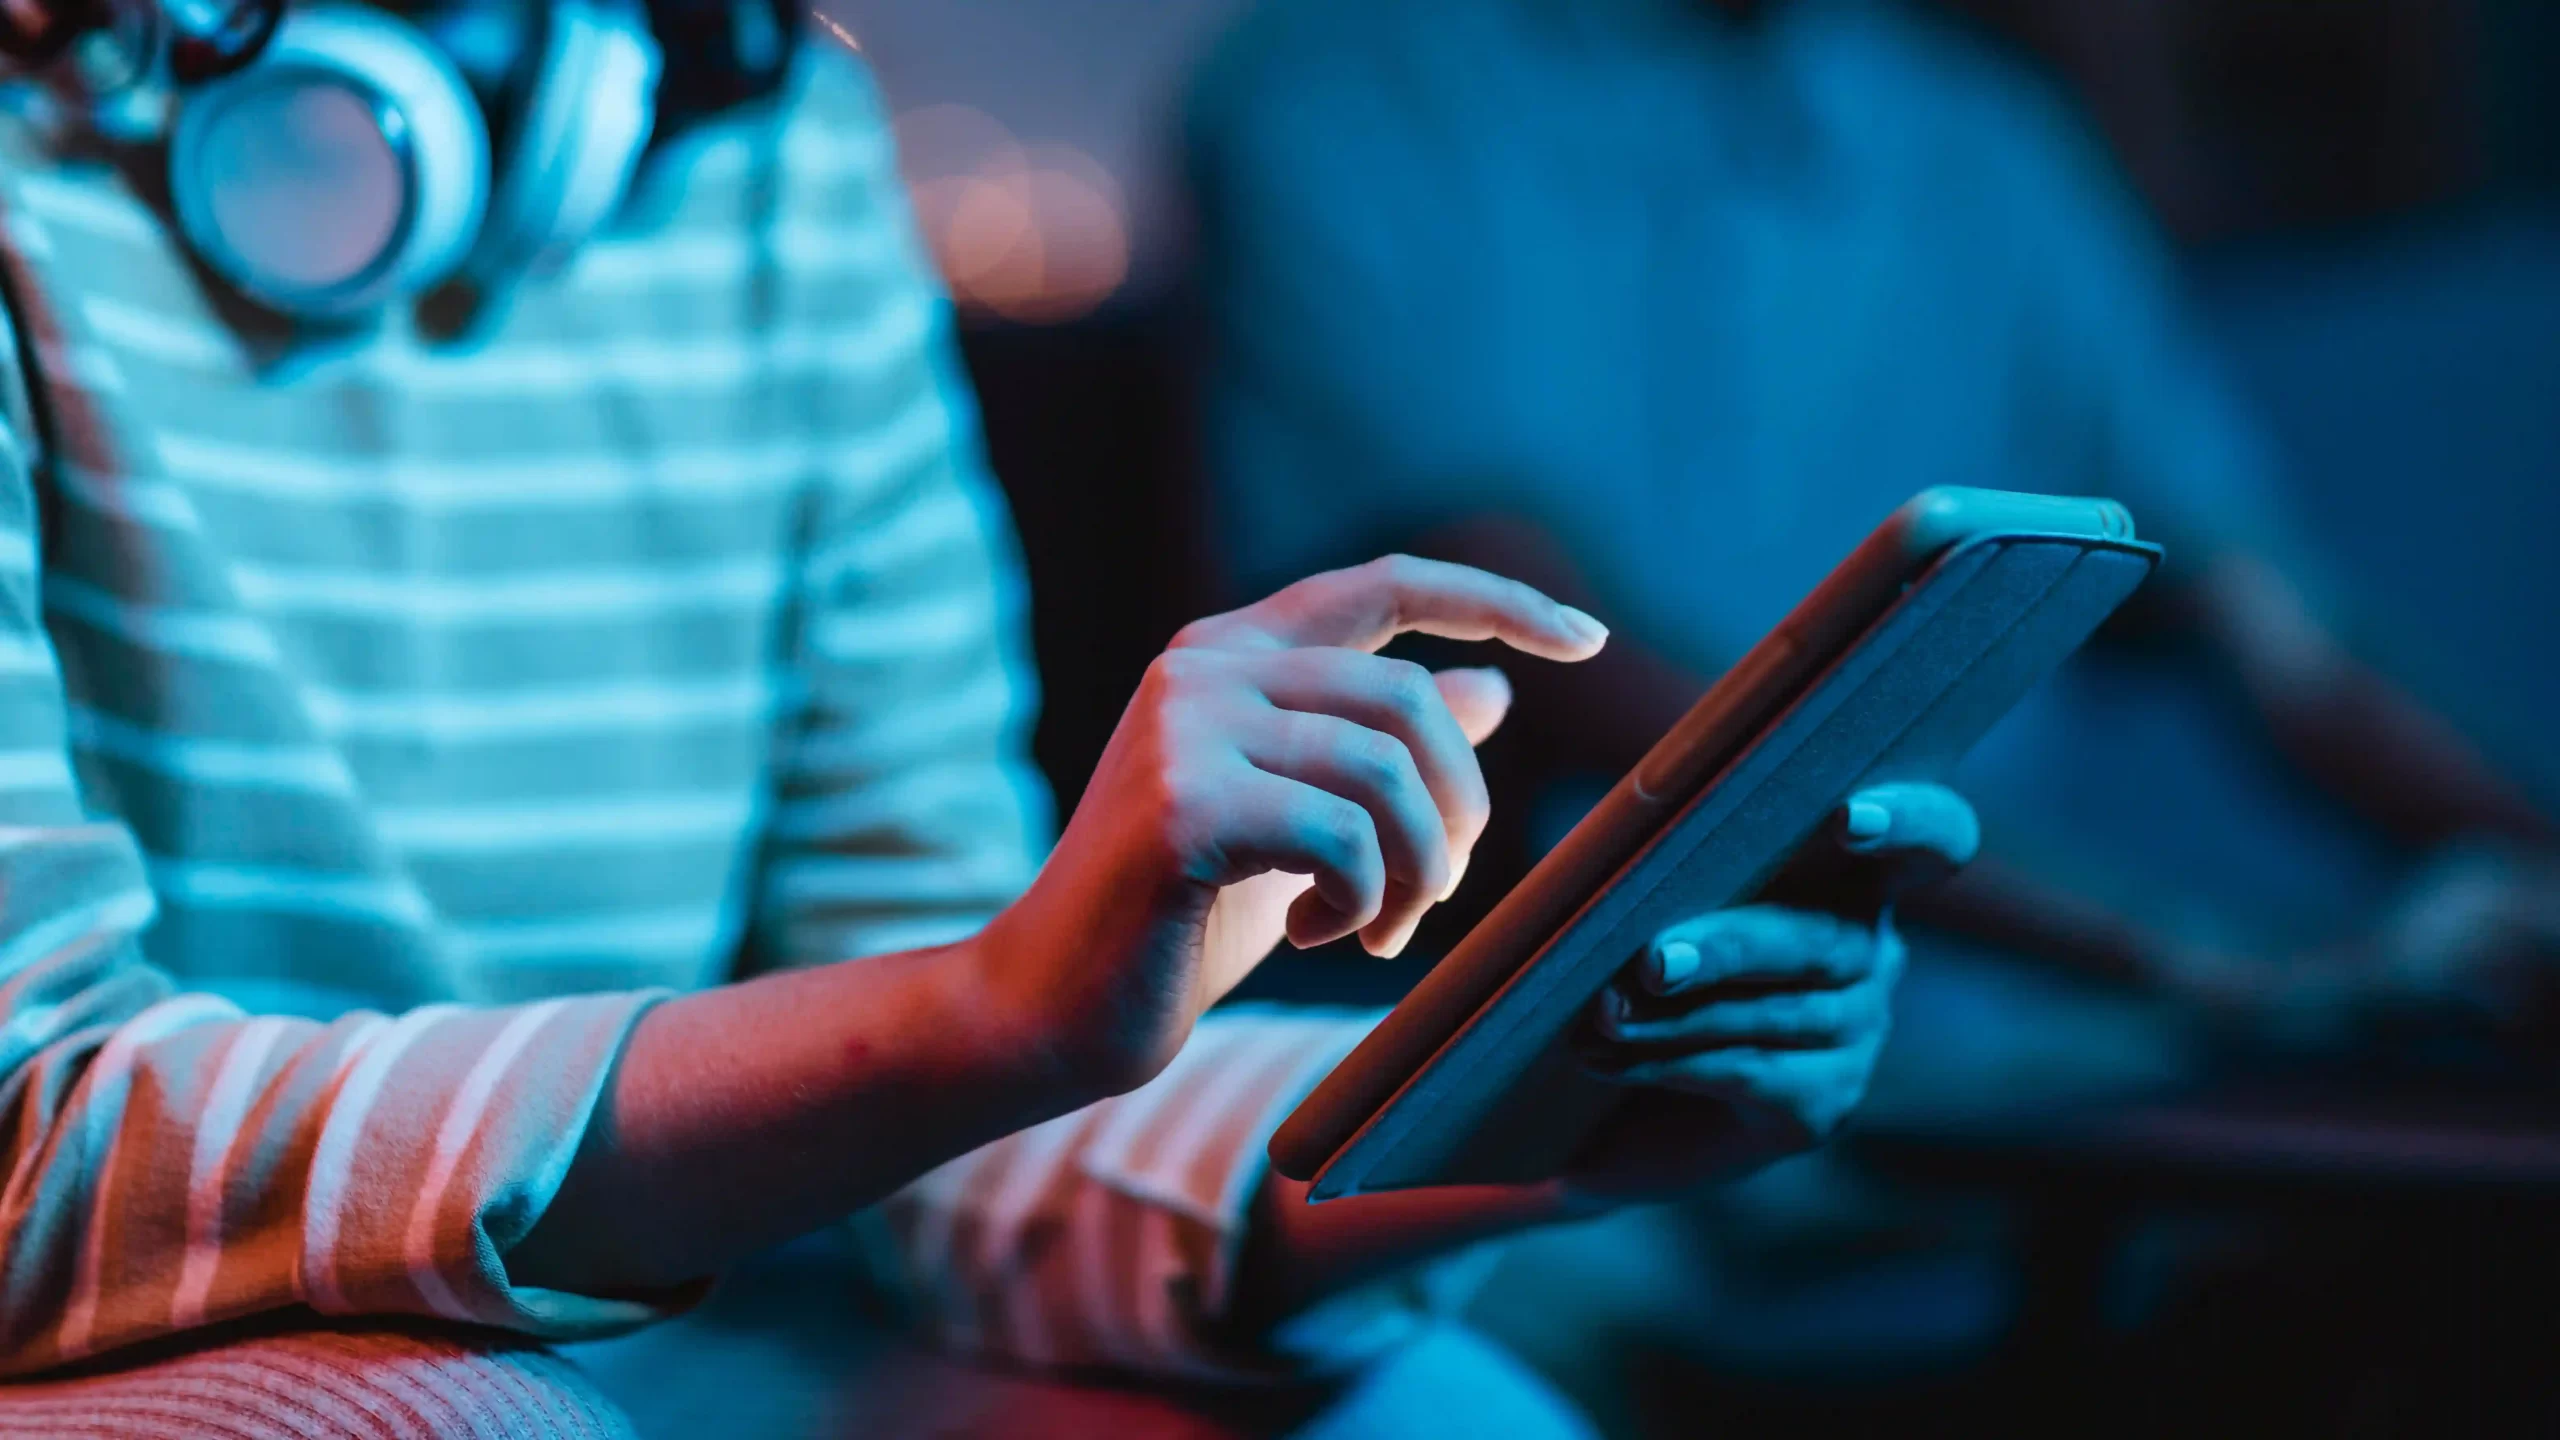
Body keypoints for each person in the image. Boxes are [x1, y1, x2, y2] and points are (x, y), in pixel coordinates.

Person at [0, 2, 1980, 1435]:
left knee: (1442, 1416)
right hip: (139, 1353)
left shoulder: (763, 141)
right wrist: (977, 1018)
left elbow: (945, 1113)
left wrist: (1522, 1118)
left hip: (720, 1341)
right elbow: (31, 1154)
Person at [1186, 0, 2560, 1063]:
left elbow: (2284, 645)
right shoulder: (1337, 98)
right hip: (1539, 1079)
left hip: (2012, 1053)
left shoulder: (1985, 142)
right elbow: (1541, 653)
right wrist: (2180, 953)